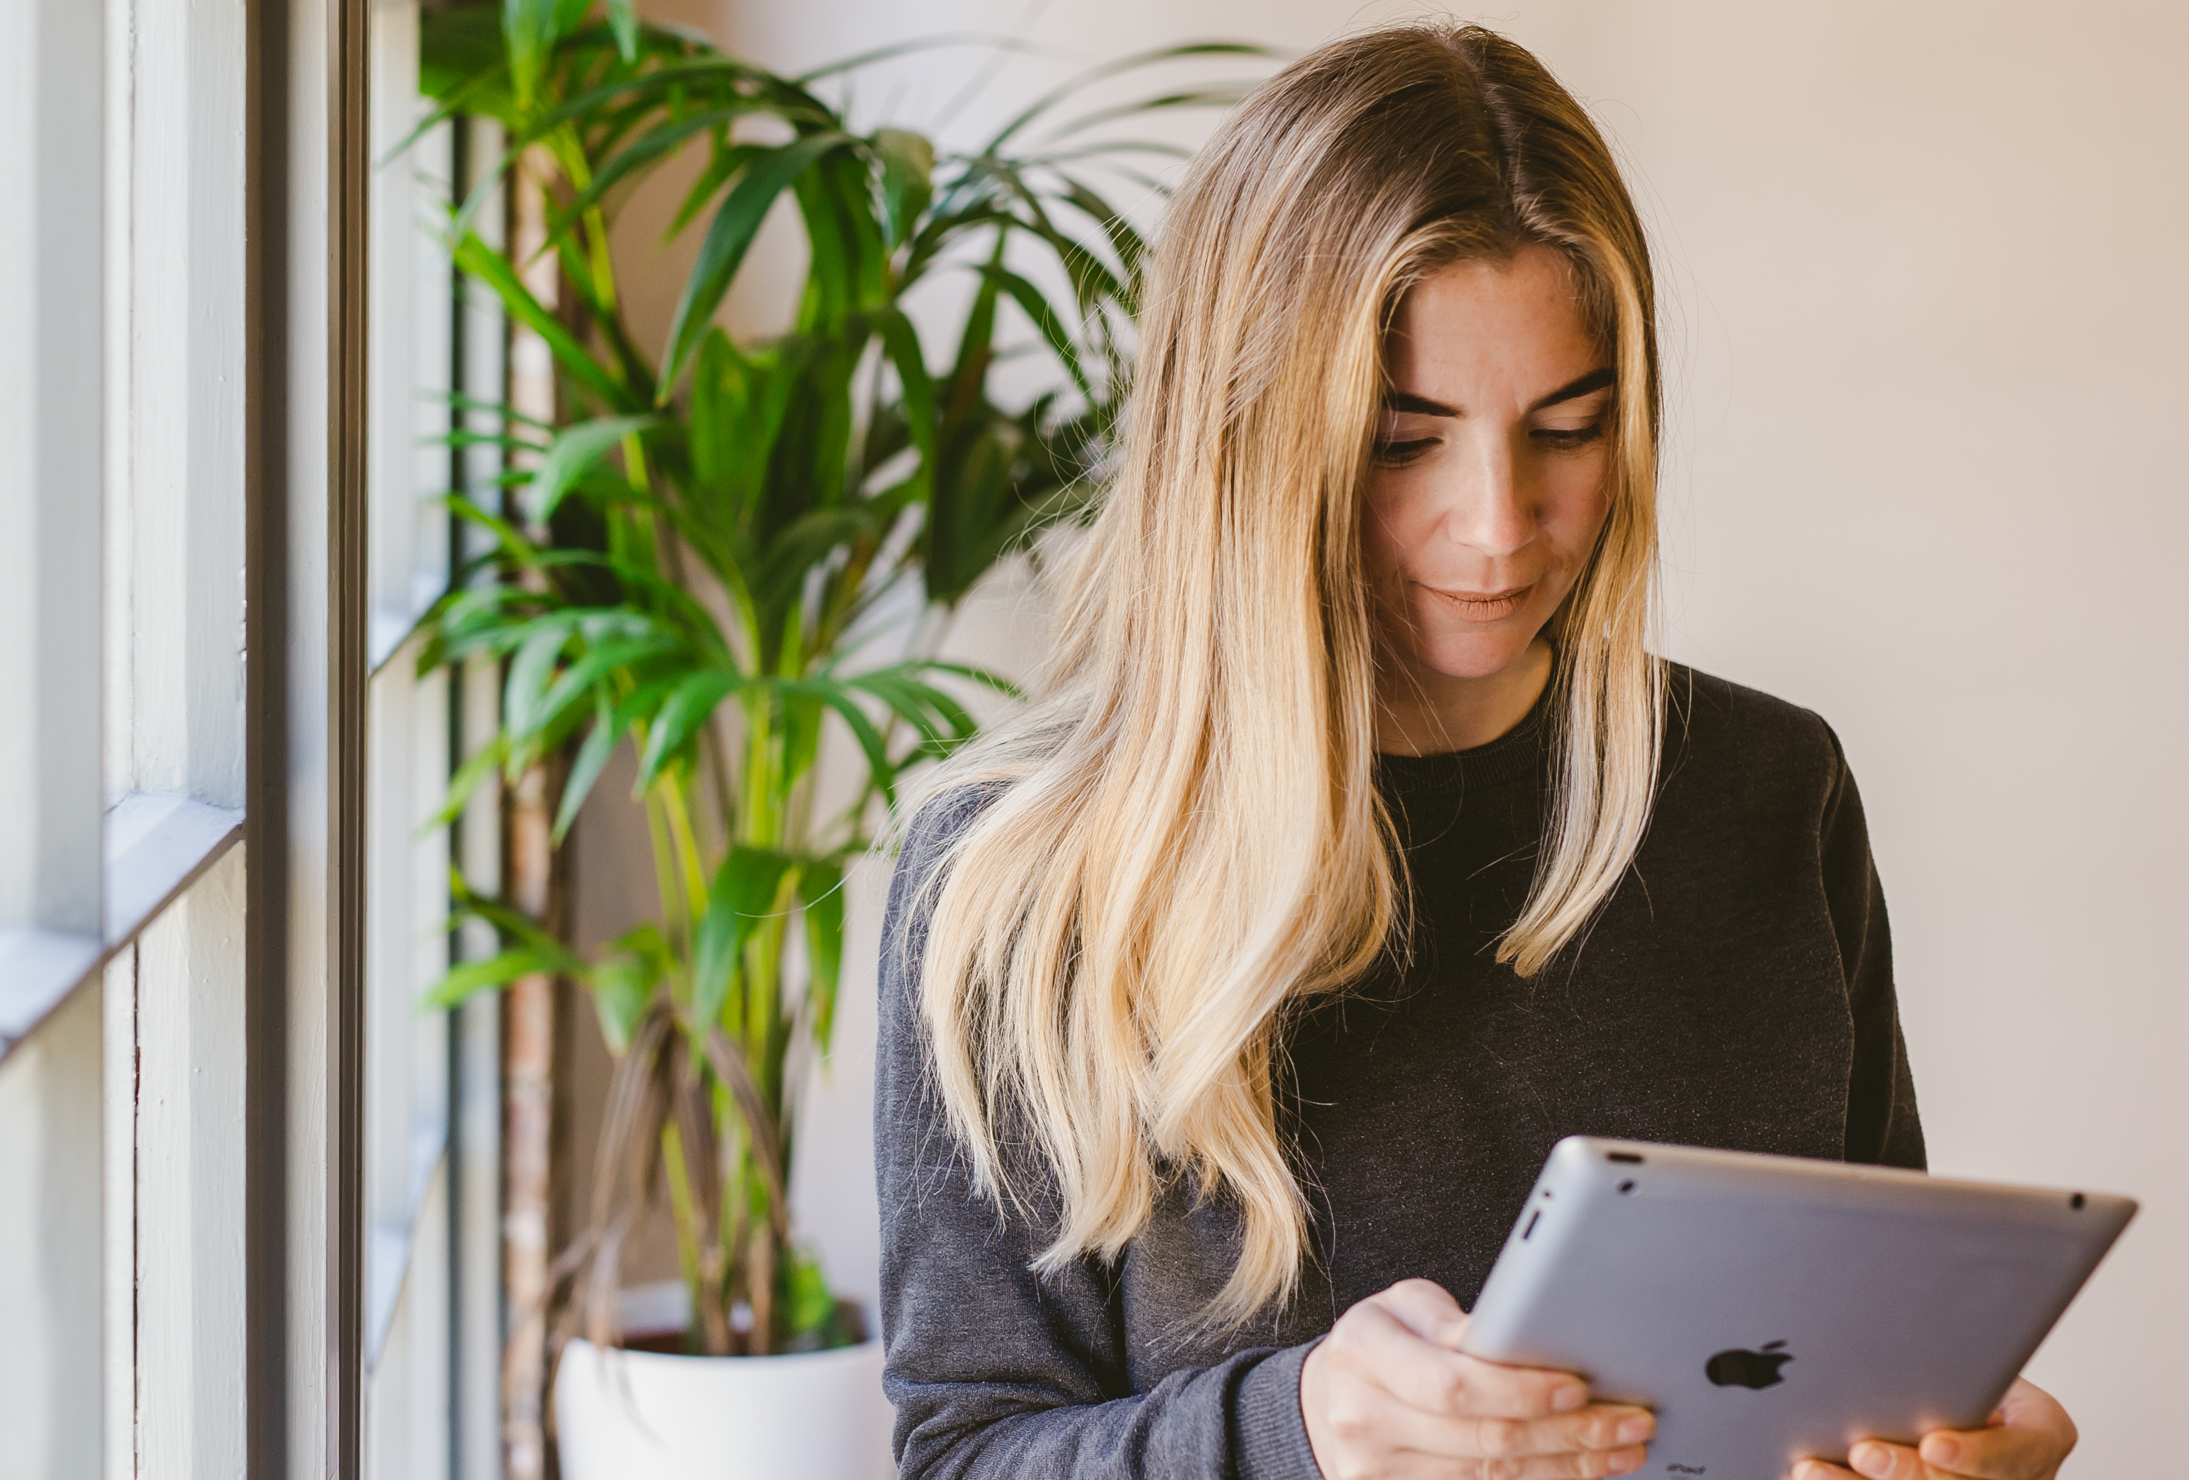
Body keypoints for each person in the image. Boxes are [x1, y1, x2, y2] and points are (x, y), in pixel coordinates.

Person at [872, 21, 2080, 1480]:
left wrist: (1949, 1448)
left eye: (1566, 429)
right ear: (1249, 438)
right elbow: (967, 1455)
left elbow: (1851, 1359)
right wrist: (1298, 1430)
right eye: (1403, 441)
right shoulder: (1023, 879)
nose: (1499, 528)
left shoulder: (1772, 793)